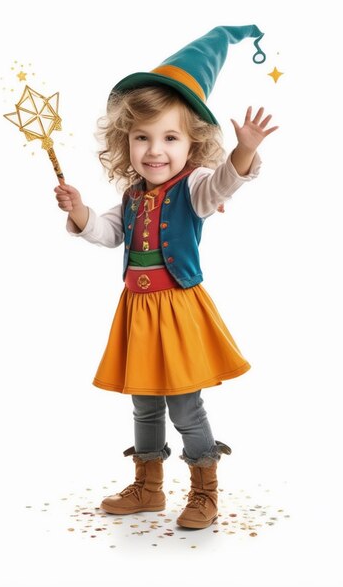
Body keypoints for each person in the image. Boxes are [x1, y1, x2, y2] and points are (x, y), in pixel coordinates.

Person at [54, 26, 278, 529]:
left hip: (177, 309)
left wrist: (243, 151)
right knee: (144, 403)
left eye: (170, 138)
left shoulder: (195, 188)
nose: (155, 150)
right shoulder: (133, 196)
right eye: (142, 138)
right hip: (136, 310)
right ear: (126, 143)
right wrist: (80, 208)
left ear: (193, 144)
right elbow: (108, 232)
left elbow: (226, 182)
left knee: (184, 404)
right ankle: (149, 487)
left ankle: (204, 490)